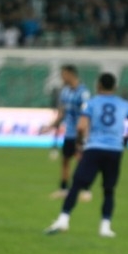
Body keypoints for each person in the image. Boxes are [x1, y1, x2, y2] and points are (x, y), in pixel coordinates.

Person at [45, 72, 128, 237]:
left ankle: (63, 219)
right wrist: (126, 138)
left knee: (76, 185)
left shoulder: (92, 103)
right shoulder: (124, 104)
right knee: (109, 189)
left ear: (98, 86)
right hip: (114, 150)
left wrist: (79, 143)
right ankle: (105, 227)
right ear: (115, 87)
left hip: (94, 148)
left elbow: (81, 127)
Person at [40, 65, 93, 201]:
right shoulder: (65, 92)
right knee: (65, 161)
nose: (62, 78)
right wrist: (49, 127)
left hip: (80, 132)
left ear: (70, 74)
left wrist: (86, 133)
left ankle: (86, 190)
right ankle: (64, 189)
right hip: (69, 133)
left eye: (63, 74)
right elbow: (61, 113)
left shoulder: (83, 92)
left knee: (82, 161)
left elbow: (87, 115)